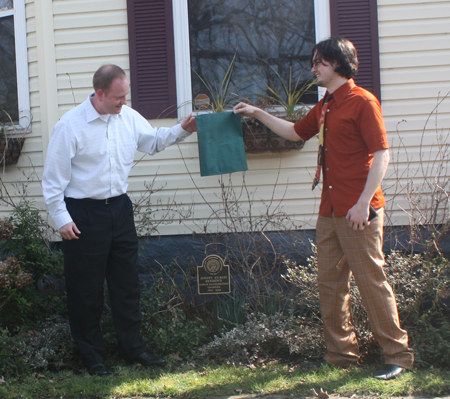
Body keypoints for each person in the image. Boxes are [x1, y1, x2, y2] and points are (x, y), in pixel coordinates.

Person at [233, 37, 414, 380]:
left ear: (338, 64)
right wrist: (256, 112)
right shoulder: (326, 105)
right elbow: (293, 132)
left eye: (319, 62)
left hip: (358, 212)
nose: (313, 68)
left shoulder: (363, 102)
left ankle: (398, 357)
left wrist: (363, 203)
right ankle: (341, 356)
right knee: (330, 286)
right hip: (329, 211)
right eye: (314, 62)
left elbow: (382, 155)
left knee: (372, 284)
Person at [42, 64, 196, 376]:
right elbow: (52, 180)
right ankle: (92, 357)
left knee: (126, 286)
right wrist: (61, 219)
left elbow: (152, 142)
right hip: (83, 213)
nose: (123, 102)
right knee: (86, 291)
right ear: (99, 94)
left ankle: (133, 349)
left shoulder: (128, 117)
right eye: (118, 97)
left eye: (125, 96)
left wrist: (182, 129)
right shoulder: (69, 126)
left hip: (120, 210)